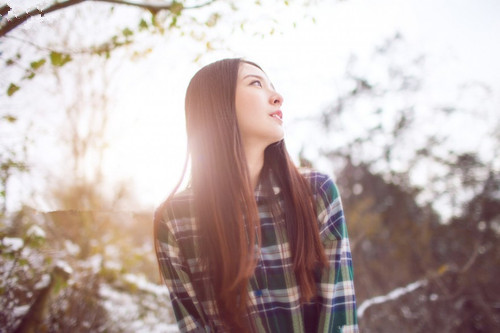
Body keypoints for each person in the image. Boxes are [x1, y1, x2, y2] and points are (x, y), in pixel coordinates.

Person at [154, 58, 358, 333]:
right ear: (218, 104)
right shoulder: (174, 219)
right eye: (256, 83)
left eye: (272, 86)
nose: (277, 97)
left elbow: (339, 317)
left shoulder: (316, 194)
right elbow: (193, 325)